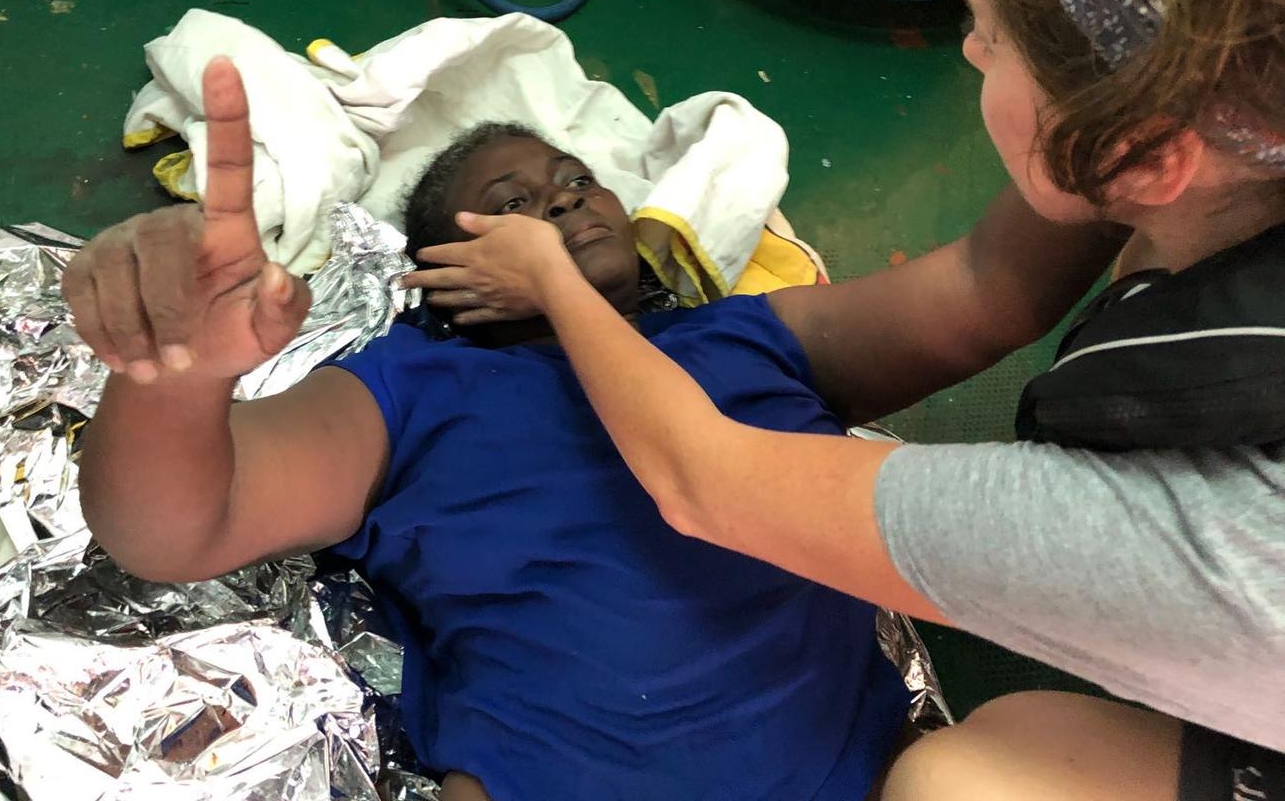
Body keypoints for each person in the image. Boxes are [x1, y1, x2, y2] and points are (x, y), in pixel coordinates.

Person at [404, 0, 1285, 798]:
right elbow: (992, 285)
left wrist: (546, 277)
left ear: (1141, 151)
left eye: (991, 36)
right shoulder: (1240, 152)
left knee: (962, 781)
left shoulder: (1205, 540)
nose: (966, 52)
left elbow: (702, 481)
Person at [65, 56, 1122, 801]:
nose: (565, 200)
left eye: (576, 180)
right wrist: (176, 378)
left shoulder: (748, 341)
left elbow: (990, 292)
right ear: (440, 278)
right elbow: (175, 529)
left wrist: (1131, 102)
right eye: (512, 201)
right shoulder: (410, 387)